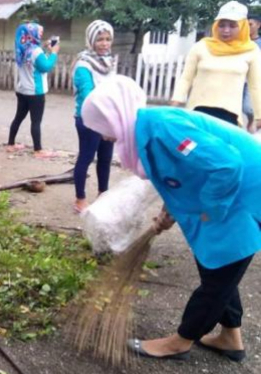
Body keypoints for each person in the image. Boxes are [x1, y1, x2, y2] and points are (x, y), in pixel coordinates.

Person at [82, 75, 261, 362]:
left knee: (219, 276)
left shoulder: (164, 127)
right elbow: (180, 173)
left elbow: (226, 164)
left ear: (114, 114)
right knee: (216, 262)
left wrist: (211, 209)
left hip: (247, 192)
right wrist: (170, 211)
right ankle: (230, 338)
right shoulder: (146, 132)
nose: (103, 136)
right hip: (233, 191)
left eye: (101, 126)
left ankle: (180, 341)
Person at [171, 1, 261, 129]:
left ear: (242, 26)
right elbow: (186, 78)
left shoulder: (251, 51)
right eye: (222, 25)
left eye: (232, 26)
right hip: (197, 111)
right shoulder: (201, 46)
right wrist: (175, 102)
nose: (226, 30)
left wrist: (259, 115)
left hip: (230, 116)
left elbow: (256, 86)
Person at [71, 20, 116, 213]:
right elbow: (89, 96)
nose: (104, 43)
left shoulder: (109, 62)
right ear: (91, 40)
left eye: (107, 39)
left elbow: (114, 90)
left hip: (107, 118)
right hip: (89, 119)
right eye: (100, 39)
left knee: (106, 158)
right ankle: (80, 199)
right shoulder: (83, 64)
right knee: (86, 157)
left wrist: (113, 121)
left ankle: (103, 195)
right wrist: (102, 124)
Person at [6, 22, 60, 159]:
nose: (40, 36)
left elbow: (35, 59)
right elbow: (45, 66)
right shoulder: (36, 52)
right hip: (35, 92)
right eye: (39, 34)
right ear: (32, 35)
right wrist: (53, 53)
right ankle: (38, 150)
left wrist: (45, 47)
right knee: (36, 121)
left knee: (18, 117)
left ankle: (10, 144)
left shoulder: (21, 48)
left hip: (22, 89)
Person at [242, 13, 261, 130]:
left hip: (255, 79)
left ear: (258, 25)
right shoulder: (241, 42)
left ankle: (254, 120)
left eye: (250, 24)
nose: (248, 27)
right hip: (239, 77)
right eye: (245, 25)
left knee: (248, 107)